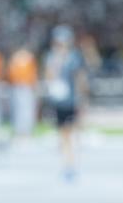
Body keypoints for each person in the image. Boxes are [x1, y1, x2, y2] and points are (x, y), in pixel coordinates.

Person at [43, 24, 88, 182]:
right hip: (59, 100)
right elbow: (49, 77)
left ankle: (72, 163)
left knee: (71, 132)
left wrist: (81, 98)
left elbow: (80, 78)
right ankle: (67, 163)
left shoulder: (73, 57)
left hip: (71, 100)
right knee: (63, 133)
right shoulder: (51, 57)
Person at [7, 46, 38, 142]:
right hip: (20, 86)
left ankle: (25, 131)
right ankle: (21, 131)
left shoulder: (24, 58)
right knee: (20, 110)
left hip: (24, 86)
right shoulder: (18, 58)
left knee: (25, 110)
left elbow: (32, 73)